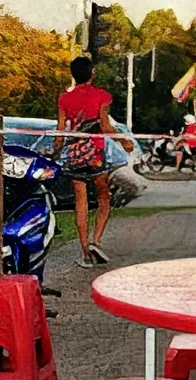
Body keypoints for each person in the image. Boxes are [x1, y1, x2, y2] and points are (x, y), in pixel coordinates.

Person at [56, 56, 115, 267]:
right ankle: (96, 240)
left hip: (74, 154)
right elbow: (105, 126)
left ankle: (85, 253)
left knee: (80, 202)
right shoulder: (102, 96)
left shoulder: (64, 99)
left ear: (73, 74)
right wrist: (125, 141)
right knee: (103, 198)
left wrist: (55, 150)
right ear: (92, 73)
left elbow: (61, 130)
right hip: (96, 154)